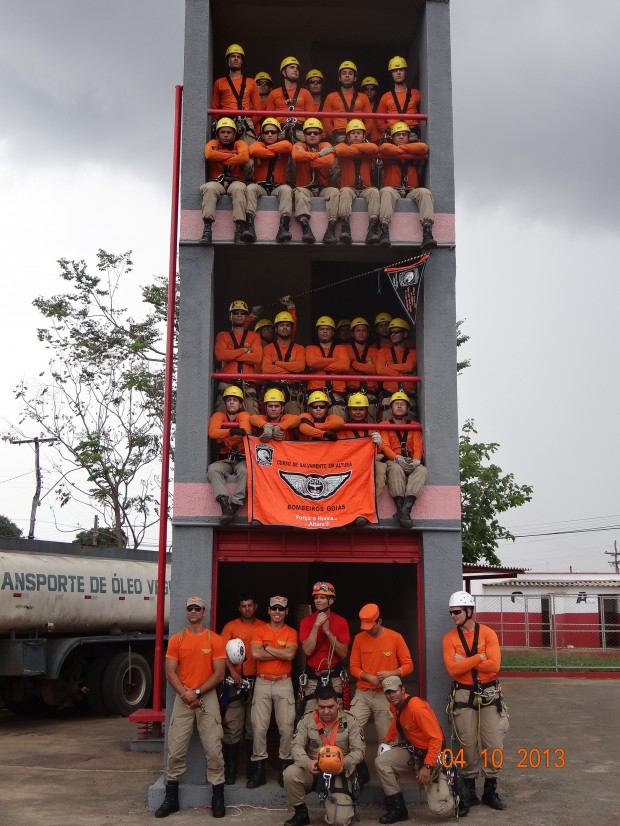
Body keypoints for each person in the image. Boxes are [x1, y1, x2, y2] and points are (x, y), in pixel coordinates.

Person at [154, 596, 227, 819]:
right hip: (182, 697)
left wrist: (197, 692)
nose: (193, 611)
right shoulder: (177, 639)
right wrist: (186, 693)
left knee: (213, 749)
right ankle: (171, 798)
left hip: (207, 696)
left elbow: (219, 673)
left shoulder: (215, 640)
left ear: (205, 612)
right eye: (190, 608)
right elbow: (170, 672)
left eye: (198, 608)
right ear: (186, 612)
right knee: (175, 748)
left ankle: (218, 796)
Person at [442, 591, 509, 813]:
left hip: (489, 693)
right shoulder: (449, 638)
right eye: (451, 612)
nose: (453, 615)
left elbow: (494, 666)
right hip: (463, 694)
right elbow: (453, 669)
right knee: (468, 744)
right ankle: (469, 791)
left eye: (456, 612)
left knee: (494, 742)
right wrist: (480, 657)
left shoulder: (488, 634)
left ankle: (490, 790)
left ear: (469, 611)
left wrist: (467, 661)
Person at [375, 676, 454, 823]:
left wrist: (427, 766)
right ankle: (398, 809)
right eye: (387, 693)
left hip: (433, 755)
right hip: (414, 752)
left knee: (439, 809)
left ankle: (457, 793)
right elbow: (397, 721)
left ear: (403, 690)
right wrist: (387, 738)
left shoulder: (416, 707)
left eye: (394, 691)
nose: (391, 696)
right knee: (382, 762)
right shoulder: (395, 706)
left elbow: (437, 739)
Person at [283, 685, 366, 826]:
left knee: (340, 821)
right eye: (322, 707)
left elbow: (359, 751)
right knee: (290, 773)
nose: (326, 711)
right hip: (313, 769)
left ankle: (337, 804)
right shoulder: (307, 719)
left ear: (337, 704)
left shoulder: (350, 721)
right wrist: (307, 762)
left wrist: (343, 763)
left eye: (330, 707)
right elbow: (296, 746)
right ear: (316, 704)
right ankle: (301, 813)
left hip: (339, 771)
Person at [248, 595, 299, 789]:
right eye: (274, 608)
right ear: (269, 610)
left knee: (286, 727)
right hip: (262, 681)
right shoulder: (259, 630)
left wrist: (267, 647)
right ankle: (259, 770)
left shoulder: (291, 632)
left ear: (286, 612)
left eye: (281, 609)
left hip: (284, 682)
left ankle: (285, 767)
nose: (277, 612)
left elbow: (290, 655)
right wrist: (280, 652)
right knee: (259, 727)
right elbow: (255, 653)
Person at [219, 594, 268, 785]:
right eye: (243, 606)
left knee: (253, 727)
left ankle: (252, 769)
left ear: (256, 606)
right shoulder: (230, 627)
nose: (247, 609)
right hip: (234, 681)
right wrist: (232, 672)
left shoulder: (264, 627)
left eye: (250, 605)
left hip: (257, 681)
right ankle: (231, 768)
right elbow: (221, 652)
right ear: (239, 608)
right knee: (232, 725)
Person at [349, 603, 413, 744]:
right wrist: (368, 677)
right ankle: (355, 757)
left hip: (386, 694)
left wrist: (392, 673)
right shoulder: (359, 639)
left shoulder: (395, 637)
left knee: (388, 739)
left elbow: (409, 665)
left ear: (379, 621)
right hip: (363, 693)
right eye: (365, 627)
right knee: (350, 728)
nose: (368, 630)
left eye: (371, 626)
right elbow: (353, 667)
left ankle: (386, 758)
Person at [378, 122, 437, 249]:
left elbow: (423, 148)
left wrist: (402, 148)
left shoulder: (415, 149)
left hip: (411, 190)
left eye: (404, 134)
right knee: (386, 191)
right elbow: (383, 148)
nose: (401, 137)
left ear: (409, 137)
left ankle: (427, 232)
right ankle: (384, 230)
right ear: (392, 137)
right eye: (398, 134)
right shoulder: (388, 149)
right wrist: (404, 149)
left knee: (425, 193)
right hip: (393, 190)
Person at [298, 582, 350, 712]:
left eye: (322, 597)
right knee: (310, 716)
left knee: (336, 715)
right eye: (316, 597)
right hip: (313, 677)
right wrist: (316, 625)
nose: (318, 600)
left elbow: (343, 653)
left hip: (334, 676)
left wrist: (327, 632)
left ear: (331, 601)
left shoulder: (341, 621)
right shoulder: (306, 622)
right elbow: (308, 650)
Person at [380, 392, 428, 530]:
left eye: (403, 404)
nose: (399, 406)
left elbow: (418, 446)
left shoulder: (415, 426)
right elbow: (385, 446)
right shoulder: (384, 425)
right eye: (396, 404)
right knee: (395, 469)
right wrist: (396, 458)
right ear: (391, 408)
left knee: (422, 471)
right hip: (394, 460)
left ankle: (405, 509)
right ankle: (400, 507)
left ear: (408, 408)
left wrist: (416, 460)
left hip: (411, 460)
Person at [337, 393, 386, 525]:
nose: (358, 412)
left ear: (366, 410)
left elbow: (379, 452)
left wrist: (379, 445)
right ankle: (347, 511)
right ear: (349, 410)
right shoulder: (343, 429)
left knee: (381, 469)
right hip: (350, 464)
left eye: (361, 409)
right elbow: (342, 452)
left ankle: (367, 511)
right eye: (354, 409)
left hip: (370, 463)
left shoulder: (373, 428)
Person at [200, 117, 249, 246]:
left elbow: (244, 157)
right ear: (217, 133)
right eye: (223, 132)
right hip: (217, 182)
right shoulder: (213, 142)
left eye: (229, 132)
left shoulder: (240, 144)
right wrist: (232, 156)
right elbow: (209, 154)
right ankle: (207, 230)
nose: (226, 135)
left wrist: (221, 157)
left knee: (239, 189)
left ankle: (239, 231)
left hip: (235, 181)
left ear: (234, 133)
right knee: (209, 188)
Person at [244, 119, 295, 244]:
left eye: (273, 132)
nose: (270, 134)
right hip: (261, 186)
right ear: (262, 134)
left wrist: (267, 149)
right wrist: (273, 152)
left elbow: (287, 146)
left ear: (279, 133)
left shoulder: (283, 145)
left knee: (287, 190)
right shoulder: (257, 144)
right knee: (250, 188)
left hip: (278, 186)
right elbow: (254, 150)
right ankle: (249, 227)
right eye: (266, 132)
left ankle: (283, 228)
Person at [292, 118, 340, 245]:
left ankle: (331, 229)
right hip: (305, 188)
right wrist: (319, 155)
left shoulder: (325, 145)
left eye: (315, 132)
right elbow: (296, 155)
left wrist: (307, 159)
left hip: (323, 188)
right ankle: (305, 229)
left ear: (320, 135)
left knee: (335, 192)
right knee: (299, 192)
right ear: (304, 135)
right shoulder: (299, 145)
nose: (312, 135)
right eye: (309, 133)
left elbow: (329, 161)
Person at [207, 386, 251, 525]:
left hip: (241, 459)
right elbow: (213, 433)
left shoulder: (244, 415)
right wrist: (231, 431)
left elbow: (245, 431)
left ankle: (234, 506)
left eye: (235, 400)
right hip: (225, 459)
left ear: (240, 403)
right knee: (213, 469)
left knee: (246, 471)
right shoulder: (218, 416)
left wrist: (225, 434)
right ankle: (225, 505)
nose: (232, 402)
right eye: (229, 400)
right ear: (225, 403)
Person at [334, 120, 380, 245]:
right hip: (349, 188)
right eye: (353, 133)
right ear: (348, 136)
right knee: (345, 192)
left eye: (359, 133)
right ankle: (345, 229)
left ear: (363, 136)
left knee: (375, 192)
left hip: (365, 189)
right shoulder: (342, 146)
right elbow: (340, 150)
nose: (356, 135)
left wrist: (354, 147)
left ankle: (372, 230)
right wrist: (358, 149)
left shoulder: (368, 148)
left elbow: (374, 148)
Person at [214, 299, 263, 416]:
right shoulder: (222, 336)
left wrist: (231, 354)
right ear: (230, 316)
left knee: (253, 418)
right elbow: (220, 355)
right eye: (235, 312)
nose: (239, 315)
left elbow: (257, 358)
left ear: (246, 316)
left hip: (248, 385)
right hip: (227, 383)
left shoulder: (254, 336)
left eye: (242, 313)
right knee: (221, 417)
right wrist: (244, 351)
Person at [212, 44, 261, 142]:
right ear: (227, 60)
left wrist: (248, 123)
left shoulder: (251, 82)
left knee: (249, 150)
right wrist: (222, 122)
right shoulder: (219, 82)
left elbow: (258, 111)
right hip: (226, 122)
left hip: (246, 122)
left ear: (242, 61)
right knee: (225, 150)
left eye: (238, 57)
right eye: (232, 56)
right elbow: (214, 109)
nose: (235, 59)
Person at [261, 311, 307, 415]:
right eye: (281, 325)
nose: (285, 328)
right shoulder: (268, 348)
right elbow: (266, 369)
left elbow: (300, 367)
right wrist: (291, 371)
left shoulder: (299, 348)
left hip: (293, 391)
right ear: (276, 329)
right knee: (272, 418)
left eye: (287, 325)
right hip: (273, 388)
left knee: (294, 418)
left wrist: (277, 363)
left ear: (291, 328)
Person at [306, 316, 351, 419]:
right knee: (313, 424)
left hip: (336, 394)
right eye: (321, 329)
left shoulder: (341, 348)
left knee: (337, 423)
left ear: (333, 332)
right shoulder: (310, 348)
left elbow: (344, 366)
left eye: (328, 329)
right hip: (315, 392)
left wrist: (320, 365)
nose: (325, 331)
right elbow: (312, 363)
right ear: (317, 332)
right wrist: (335, 360)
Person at [375, 318, 417, 419]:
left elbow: (409, 367)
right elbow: (380, 370)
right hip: (388, 395)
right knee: (386, 425)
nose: (393, 335)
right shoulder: (383, 351)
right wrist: (400, 374)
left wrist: (389, 366)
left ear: (405, 334)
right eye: (391, 332)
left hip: (408, 396)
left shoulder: (413, 352)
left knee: (410, 426)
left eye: (396, 332)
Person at [267, 57, 315, 142]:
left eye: (297, 68)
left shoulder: (306, 93)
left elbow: (310, 118)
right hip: (280, 132)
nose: (295, 70)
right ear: (284, 72)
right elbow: (269, 119)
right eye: (292, 67)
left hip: (301, 131)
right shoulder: (273, 94)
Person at [323, 61, 371, 144]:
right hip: (339, 135)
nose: (347, 75)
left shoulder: (363, 97)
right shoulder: (331, 96)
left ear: (355, 78)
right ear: (339, 78)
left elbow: (369, 121)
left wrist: (362, 136)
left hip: (357, 134)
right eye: (344, 73)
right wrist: (333, 137)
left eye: (350, 73)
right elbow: (326, 121)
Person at [377, 56, 422, 140]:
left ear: (406, 72)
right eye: (395, 70)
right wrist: (387, 132)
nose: (398, 73)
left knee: (420, 147)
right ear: (391, 74)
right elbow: (380, 121)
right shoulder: (385, 97)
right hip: (392, 133)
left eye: (401, 70)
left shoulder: (416, 93)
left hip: (412, 133)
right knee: (385, 147)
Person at [345, 318, 380, 420]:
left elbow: (377, 370)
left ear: (368, 334)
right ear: (352, 334)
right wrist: (367, 367)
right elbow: (344, 368)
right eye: (358, 330)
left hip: (370, 393)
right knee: (350, 425)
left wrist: (354, 364)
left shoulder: (375, 351)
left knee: (371, 425)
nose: (361, 333)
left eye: (364, 330)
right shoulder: (345, 350)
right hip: (351, 392)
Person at [360, 76, 383, 143]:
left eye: (372, 88)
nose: (369, 90)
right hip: (362, 140)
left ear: (377, 91)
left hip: (379, 140)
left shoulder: (382, 105)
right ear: (362, 91)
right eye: (366, 88)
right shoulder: (358, 107)